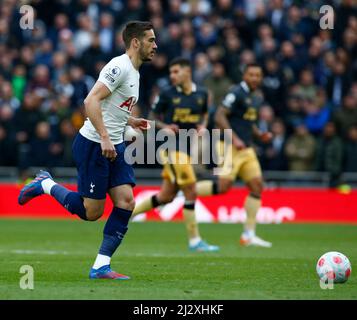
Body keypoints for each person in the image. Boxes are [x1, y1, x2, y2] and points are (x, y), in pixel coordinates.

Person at [18, 21, 157, 280]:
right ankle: (45, 184)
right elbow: (90, 100)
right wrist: (104, 136)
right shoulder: (119, 67)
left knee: (126, 201)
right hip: (95, 144)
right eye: (150, 40)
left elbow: (111, 106)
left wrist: (129, 120)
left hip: (115, 144)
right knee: (91, 213)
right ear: (136, 42)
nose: (155, 45)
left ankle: (100, 266)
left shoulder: (135, 72)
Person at [132, 57, 219, 252]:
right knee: (191, 190)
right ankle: (195, 241)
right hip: (170, 148)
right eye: (171, 72)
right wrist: (165, 126)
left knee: (166, 196)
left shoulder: (203, 94)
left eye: (176, 72)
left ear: (187, 72)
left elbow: (205, 114)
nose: (172, 76)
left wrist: (203, 126)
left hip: (187, 149)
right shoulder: (167, 94)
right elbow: (152, 117)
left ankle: (127, 213)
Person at [195, 63, 273, 248]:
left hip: (246, 149)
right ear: (244, 75)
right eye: (251, 75)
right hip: (229, 145)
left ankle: (249, 234)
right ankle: (186, 192)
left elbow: (248, 122)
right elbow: (220, 116)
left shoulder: (255, 97)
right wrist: (235, 138)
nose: (255, 78)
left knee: (257, 186)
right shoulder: (236, 93)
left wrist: (259, 134)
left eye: (258, 75)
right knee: (223, 187)